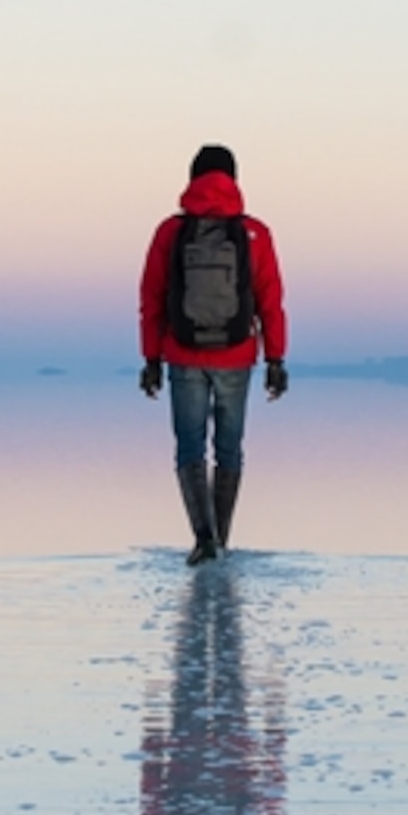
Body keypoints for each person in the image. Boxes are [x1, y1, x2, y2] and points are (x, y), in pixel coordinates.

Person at [138, 143, 287, 564]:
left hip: (182, 355)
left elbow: (151, 298)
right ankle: (221, 539)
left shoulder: (170, 232)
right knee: (229, 450)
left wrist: (151, 359)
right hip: (237, 357)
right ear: (234, 179)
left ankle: (203, 538)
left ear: (191, 178)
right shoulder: (254, 232)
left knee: (189, 448)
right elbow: (270, 299)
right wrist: (276, 359)